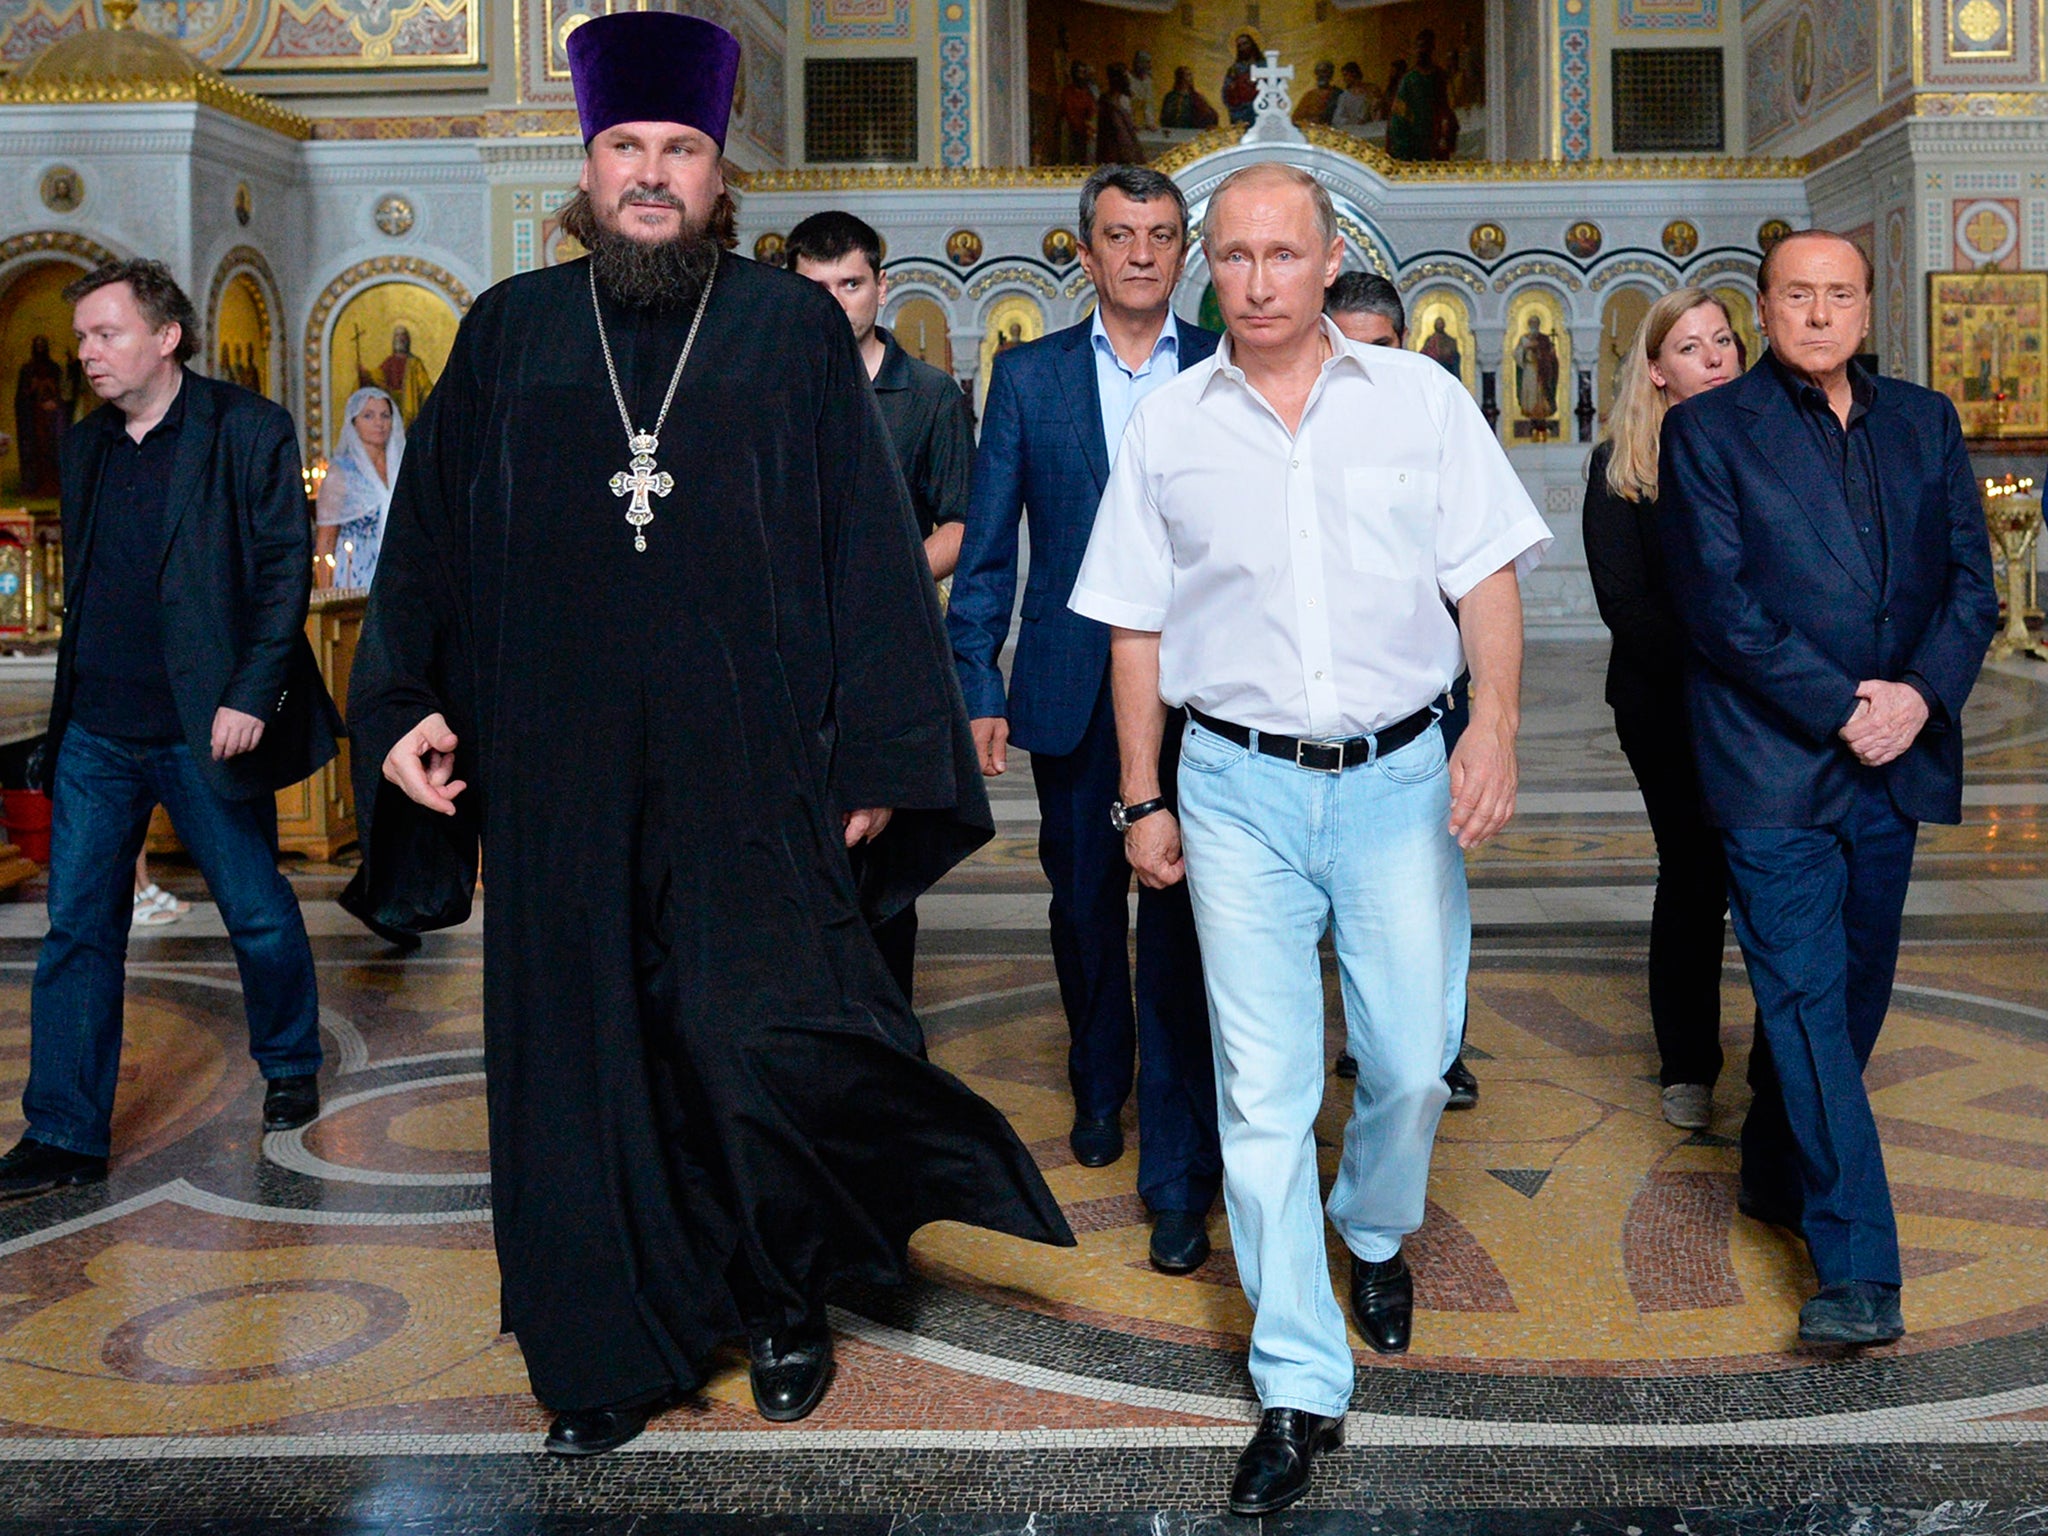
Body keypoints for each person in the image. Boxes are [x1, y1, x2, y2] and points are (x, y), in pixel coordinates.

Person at [341, 10, 1072, 1457]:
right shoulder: (508, 333)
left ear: (719, 167)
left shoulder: (788, 328)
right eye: (629, 148)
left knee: (761, 1041)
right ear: (589, 160)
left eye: (682, 149)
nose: (654, 175)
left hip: (753, 768)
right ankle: (605, 1339)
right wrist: (406, 701)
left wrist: (874, 747)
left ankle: (785, 1293)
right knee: (590, 1050)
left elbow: (866, 552)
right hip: (558, 774)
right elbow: (425, 548)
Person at [1072, 162, 1549, 1516]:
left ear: (1330, 256)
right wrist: (1141, 794)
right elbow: (1134, 623)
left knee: (1407, 1059)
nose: (1261, 280)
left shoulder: (1423, 401)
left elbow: (1487, 576)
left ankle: (1376, 1227)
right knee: (1265, 1092)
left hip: (1401, 778)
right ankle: (1298, 1377)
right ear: (1207, 269)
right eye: (1236, 258)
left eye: (1285, 255)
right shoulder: (1167, 427)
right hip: (1234, 786)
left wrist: (1495, 724)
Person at [1660, 230, 1999, 1345]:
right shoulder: (1707, 431)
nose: (1816, 314)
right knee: (1804, 999)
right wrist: (1841, 705)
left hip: (1894, 759)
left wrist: (1914, 697)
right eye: (1795, 295)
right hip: (1772, 763)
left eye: (1837, 294)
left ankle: (1768, 1161)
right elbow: (1717, 607)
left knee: (1851, 998)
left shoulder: (1924, 421)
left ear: (1865, 306)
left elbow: (1968, 585)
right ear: (1764, 308)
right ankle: (1857, 1268)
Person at [0, 259, 341, 1202]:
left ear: (166, 337)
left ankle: (287, 1059)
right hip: (98, 732)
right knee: (76, 930)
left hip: (206, 725)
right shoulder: (84, 445)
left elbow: (281, 574)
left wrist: (250, 694)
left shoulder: (248, 430)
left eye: (105, 335)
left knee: (256, 910)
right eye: (79, 340)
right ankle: (64, 1131)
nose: (87, 355)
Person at [948, 164, 1222, 1277]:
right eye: (1120, 235)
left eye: (1161, 235)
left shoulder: (1222, 366)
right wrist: (979, 681)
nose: (1142, 253)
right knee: (1081, 901)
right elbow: (988, 543)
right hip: (1066, 686)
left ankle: (1169, 1140)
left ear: (1182, 250)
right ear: (1087, 251)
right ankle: (1095, 1074)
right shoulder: (1029, 377)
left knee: (1180, 913)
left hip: (1198, 692)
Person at [785, 208, 975, 1002]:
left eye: (851, 284)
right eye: (816, 288)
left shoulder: (927, 395)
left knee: (882, 865)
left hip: (889, 655)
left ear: (881, 287)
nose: (836, 303)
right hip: (786, 657)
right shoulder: (763, 389)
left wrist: (879, 585)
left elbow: (965, 524)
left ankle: (887, 1042)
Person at [1321, 271, 1481, 1111]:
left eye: (1377, 347)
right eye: (1343, 345)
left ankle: (1438, 1042)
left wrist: (1490, 716)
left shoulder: (1435, 418)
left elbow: (1480, 571)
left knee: (1430, 880)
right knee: (1343, 887)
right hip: (1326, 712)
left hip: (1428, 703)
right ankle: (1369, 1033)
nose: (1361, 364)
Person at [1583, 287, 1742, 1131]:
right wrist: (1741, 663)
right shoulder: (1622, 466)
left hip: (1769, 706)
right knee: (1693, 872)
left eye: (1724, 340)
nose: (1715, 356)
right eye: (1691, 346)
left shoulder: (1775, 451)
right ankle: (1689, 1062)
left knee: (1774, 870)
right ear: (1656, 369)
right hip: (1668, 704)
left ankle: (1793, 1062)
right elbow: (1628, 608)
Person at [316, 387, 404, 591]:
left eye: (385, 415)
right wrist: (325, 591)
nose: (379, 423)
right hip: (355, 571)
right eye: (368, 416)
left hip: (399, 569)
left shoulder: (402, 467)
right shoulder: (341, 473)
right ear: (354, 422)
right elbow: (326, 538)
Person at [1388, 29, 1457, 160]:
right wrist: (1403, 142)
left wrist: (1445, 134)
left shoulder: (1440, 76)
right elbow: (1399, 114)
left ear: (1432, 48)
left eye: (1425, 46)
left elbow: (1447, 108)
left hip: (1435, 138)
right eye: (1418, 47)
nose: (1421, 51)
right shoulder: (1409, 80)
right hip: (1414, 142)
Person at [14, 334, 67, 498]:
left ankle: (53, 486)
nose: (40, 348)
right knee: (34, 451)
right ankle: (32, 486)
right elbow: (22, 397)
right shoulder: (27, 369)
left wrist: (52, 395)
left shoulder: (53, 368)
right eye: (37, 345)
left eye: (42, 345)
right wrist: (33, 388)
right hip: (34, 418)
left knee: (51, 449)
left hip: (51, 418)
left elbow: (62, 392)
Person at [364, 325, 433, 426]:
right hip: (392, 408)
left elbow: (425, 387)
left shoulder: (415, 363)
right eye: (398, 336)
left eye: (403, 336)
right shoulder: (389, 361)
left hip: (408, 408)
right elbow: (378, 378)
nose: (400, 339)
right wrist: (366, 374)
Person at [1096, 61, 1146, 164]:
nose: (1129, 82)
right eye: (1126, 78)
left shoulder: (1115, 104)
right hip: (1117, 162)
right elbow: (1123, 141)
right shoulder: (1111, 107)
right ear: (1119, 81)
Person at [1158, 65, 1219, 130]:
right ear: (1180, 77)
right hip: (1173, 133)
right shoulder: (1170, 97)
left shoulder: (1196, 97)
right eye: (1188, 75)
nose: (1191, 78)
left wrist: (1210, 124)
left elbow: (1210, 115)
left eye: (1190, 75)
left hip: (1190, 133)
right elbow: (1164, 117)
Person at [1222, 32, 1261, 125]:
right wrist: (1231, 89)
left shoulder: (1264, 66)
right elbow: (1226, 93)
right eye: (1239, 45)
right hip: (1241, 112)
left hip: (1260, 110)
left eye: (1245, 43)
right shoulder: (1234, 69)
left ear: (1252, 44)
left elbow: (1274, 85)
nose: (1243, 47)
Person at [1292, 60, 1339, 126]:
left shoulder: (1338, 95)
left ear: (1331, 74)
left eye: (1324, 72)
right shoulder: (1309, 96)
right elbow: (1296, 119)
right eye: (1318, 72)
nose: (1321, 75)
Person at [1328, 62, 1375, 128]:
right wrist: (1352, 122)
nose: (1344, 79)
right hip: (1350, 129)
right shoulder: (1344, 96)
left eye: (1346, 75)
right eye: (1344, 75)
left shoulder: (1369, 91)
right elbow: (1337, 118)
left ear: (1354, 74)